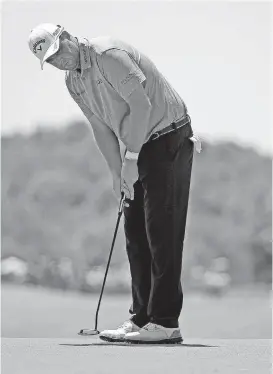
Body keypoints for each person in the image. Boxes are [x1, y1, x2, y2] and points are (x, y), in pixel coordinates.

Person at [28, 23, 201, 344]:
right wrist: (116, 173)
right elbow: (100, 126)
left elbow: (142, 107)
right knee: (136, 236)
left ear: (67, 37)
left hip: (168, 139)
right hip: (140, 145)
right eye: (50, 61)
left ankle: (165, 323)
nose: (59, 61)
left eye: (58, 51)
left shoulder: (107, 54)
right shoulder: (74, 81)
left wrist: (132, 160)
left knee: (162, 233)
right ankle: (142, 319)